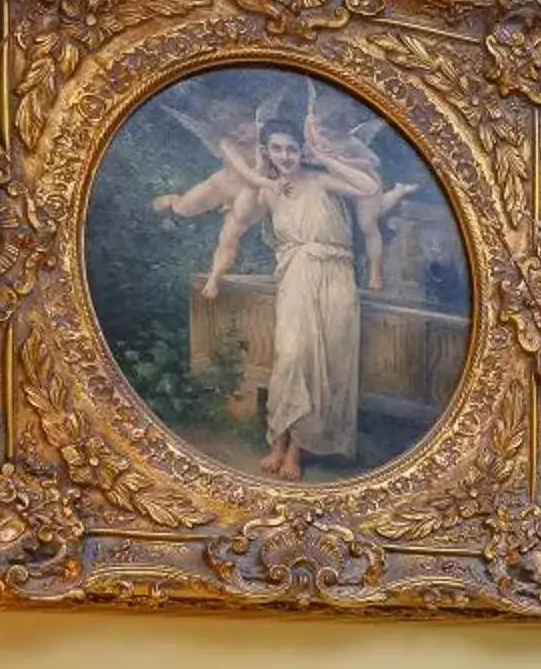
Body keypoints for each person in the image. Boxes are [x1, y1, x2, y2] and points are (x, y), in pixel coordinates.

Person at [151, 88, 406, 478]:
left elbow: (368, 188)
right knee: (290, 357)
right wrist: (216, 270)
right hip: (296, 275)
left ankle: (296, 452)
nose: (284, 156)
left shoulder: (322, 181)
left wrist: (324, 158)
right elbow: (233, 228)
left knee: (321, 364)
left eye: (291, 149)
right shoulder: (267, 193)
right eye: (276, 149)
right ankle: (278, 442)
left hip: (336, 277)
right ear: (266, 152)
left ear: (300, 151)